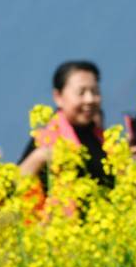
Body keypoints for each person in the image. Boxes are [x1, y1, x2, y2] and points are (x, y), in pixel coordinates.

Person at [18, 61, 113, 193]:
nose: (90, 99)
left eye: (95, 91)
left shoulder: (104, 141)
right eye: (81, 92)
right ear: (58, 97)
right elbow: (13, 190)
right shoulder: (45, 140)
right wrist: (39, 157)